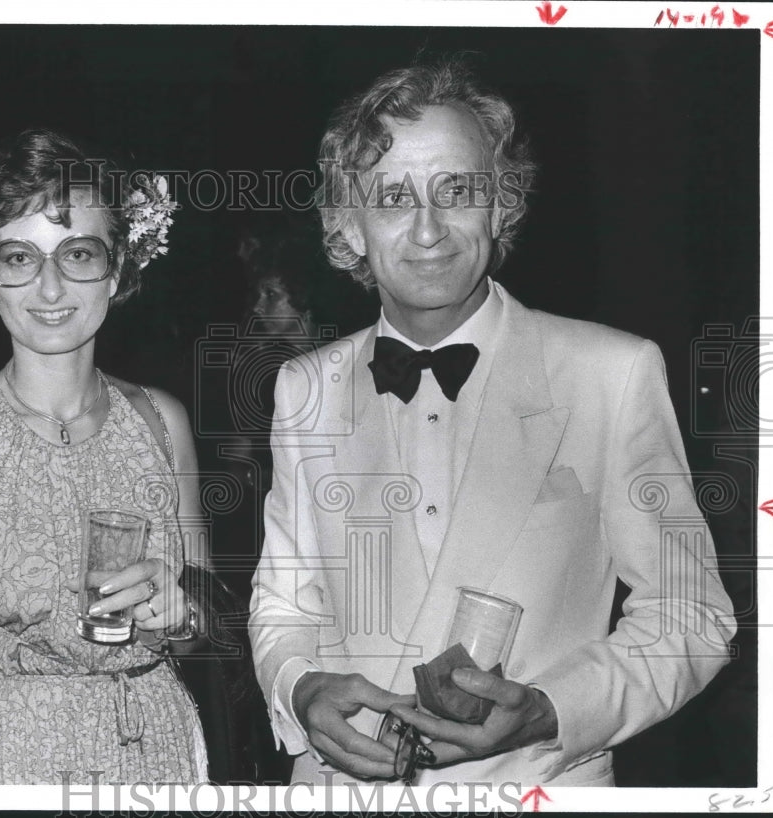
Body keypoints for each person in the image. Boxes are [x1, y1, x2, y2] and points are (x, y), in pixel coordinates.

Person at [248, 58, 735, 787]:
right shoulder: (304, 388)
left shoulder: (611, 372)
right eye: (391, 198)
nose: (428, 230)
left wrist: (549, 709)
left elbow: (693, 616)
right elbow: (284, 606)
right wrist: (299, 688)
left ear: (502, 202)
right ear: (347, 225)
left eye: (457, 190)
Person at [0, 128, 209, 785]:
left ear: (117, 269)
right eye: (19, 258)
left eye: (79, 253)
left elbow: (201, 623)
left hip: (152, 752)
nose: (52, 286)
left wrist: (181, 612)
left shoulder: (162, 422)